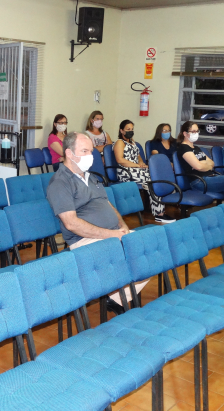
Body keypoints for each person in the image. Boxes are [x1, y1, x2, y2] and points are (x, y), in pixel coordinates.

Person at [46, 132, 146, 311]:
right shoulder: (60, 183)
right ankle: (118, 296)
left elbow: (107, 204)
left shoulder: (91, 177)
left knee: (148, 249)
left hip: (111, 234)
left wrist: (122, 226)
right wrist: (112, 235)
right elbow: (71, 223)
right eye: (84, 151)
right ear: (69, 153)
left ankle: (117, 298)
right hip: (84, 240)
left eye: (91, 151)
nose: (90, 156)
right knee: (127, 253)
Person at [113, 120, 175, 223]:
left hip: (136, 169)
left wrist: (141, 163)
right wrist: (137, 166)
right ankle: (159, 214)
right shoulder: (119, 142)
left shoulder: (132, 142)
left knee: (157, 178)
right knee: (154, 181)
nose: (130, 131)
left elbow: (138, 157)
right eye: (128, 129)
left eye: (132, 129)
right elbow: (120, 160)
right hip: (125, 171)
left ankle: (160, 210)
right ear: (121, 131)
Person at [176, 121, 224, 194]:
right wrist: (206, 165)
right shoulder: (184, 148)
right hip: (199, 181)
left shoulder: (196, 148)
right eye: (193, 131)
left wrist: (202, 164)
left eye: (197, 131)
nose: (196, 133)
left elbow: (212, 163)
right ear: (185, 133)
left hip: (210, 177)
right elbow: (199, 167)